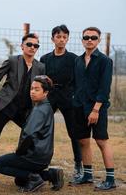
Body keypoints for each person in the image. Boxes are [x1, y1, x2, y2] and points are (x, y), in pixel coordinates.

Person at [0, 33, 45, 182]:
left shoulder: (40, 66)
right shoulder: (13, 61)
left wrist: (40, 107)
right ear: (22, 46)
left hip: (25, 110)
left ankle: (27, 171)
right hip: (5, 105)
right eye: (29, 44)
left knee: (31, 137)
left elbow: (42, 87)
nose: (32, 47)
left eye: (36, 45)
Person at [0, 75, 64, 192]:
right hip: (43, 157)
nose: (32, 92)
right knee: (19, 180)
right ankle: (51, 175)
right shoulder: (47, 107)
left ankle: (34, 178)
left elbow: (29, 136)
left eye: (37, 89)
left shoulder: (39, 110)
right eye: (31, 89)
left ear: (45, 93)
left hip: (33, 156)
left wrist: (19, 152)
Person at [71, 27, 115, 191]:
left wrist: (96, 110)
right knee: (83, 141)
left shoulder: (105, 61)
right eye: (86, 37)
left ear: (98, 40)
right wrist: (74, 100)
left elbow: (104, 89)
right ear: (82, 40)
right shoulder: (78, 60)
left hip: (97, 107)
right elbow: (76, 83)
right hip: (79, 106)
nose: (89, 40)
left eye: (93, 37)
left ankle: (110, 179)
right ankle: (87, 175)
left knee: (101, 141)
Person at [40, 25, 82, 181]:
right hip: (50, 96)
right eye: (58, 37)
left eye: (64, 37)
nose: (61, 39)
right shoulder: (45, 59)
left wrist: (74, 96)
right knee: (43, 130)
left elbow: (79, 80)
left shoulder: (74, 59)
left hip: (67, 97)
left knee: (74, 132)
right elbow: (41, 81)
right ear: (52, 39)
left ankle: (78, 164)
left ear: (68, 39)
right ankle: (41, 162)